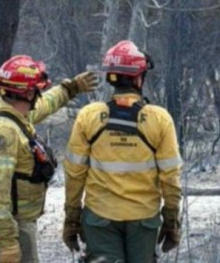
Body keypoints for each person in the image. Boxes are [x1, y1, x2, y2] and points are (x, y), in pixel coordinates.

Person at [62, 40, 183, 262]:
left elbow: (74, 174)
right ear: (139, 77)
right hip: (143, 220)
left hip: (99, 218)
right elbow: (170, 177)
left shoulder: (89, 116)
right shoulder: (159, 119)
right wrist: (171, 220)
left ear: (111, 77)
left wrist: (71, 218)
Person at [0, 55, 99, 263]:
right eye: (36, 89)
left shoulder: (18, 118)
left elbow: (46, 104)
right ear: (27, 92)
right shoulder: (4, 132)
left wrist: (70, 89)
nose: (39, 94)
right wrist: (7, 242)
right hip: (14, 227)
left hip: (21, 224)